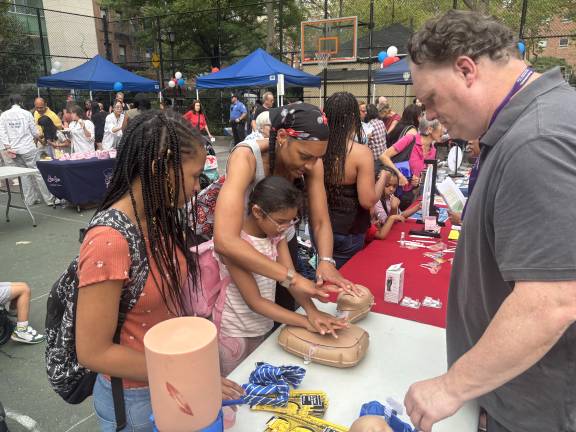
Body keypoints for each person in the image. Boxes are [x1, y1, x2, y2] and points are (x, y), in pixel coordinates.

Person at [402, 10, 576, 432]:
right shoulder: (537, 120)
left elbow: (551, 302)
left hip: (536, 408)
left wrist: (452, 386)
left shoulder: (538, 140)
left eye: (430, 99)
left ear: (466, 70)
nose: (428, 116)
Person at [74, 110, 243, 431]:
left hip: (168, 381)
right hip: (135, 400)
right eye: (194, 176)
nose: (198, 187)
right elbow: (93, 352)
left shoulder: (157, 217)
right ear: (159, 170)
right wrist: (188, 373)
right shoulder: (108, 242)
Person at [214, 102, 359, 316]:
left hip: (281, 242)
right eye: (305, 156)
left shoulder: (313, 164)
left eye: (318, 157)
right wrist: (293, 277)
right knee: (248, 311)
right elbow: (225, 240)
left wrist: (326, 261)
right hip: (244, 245)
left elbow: (320, 221)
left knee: (285, 307)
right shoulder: (246, 158)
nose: (311, 165)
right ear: (282, 137)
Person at [217, 176, 347, 375]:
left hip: (261, 326)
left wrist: (312, 312)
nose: (286, 227)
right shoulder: (237, 245)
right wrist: (305, 321)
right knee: (236, 388)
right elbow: (255, 302)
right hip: (234, 333)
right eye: (281, 221)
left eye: (291, 221)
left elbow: (289, 278)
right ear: (257, 212)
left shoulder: (275, 235)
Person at [323, 92, 385, 268]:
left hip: (320, 228)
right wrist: (383, 178)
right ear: (353, 119)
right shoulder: (360, 153)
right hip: (348, 231)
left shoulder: (318, 148)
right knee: (345, 281)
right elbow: (367, 201)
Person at [0, 94, 54, 206]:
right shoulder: (27, 114)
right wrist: (40, 135)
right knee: (38, 172)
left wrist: (8, 146)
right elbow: (34, 132)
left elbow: (2, 133)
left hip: (13, 149)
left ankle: (30, 199)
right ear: (21, 102)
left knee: (23, 174)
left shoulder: (4, 115)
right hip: (28, 147)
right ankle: (49, 199)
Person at [379, 114, 440, 209]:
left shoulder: (433, 151)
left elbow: (426, 176)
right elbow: (384, 156)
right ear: (430, 130)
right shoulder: (410, 139)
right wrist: (399, 175)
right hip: (393, 194)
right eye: (442, 126)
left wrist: (418, 180)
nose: (444, 130)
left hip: (411, 197)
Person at [368, 168, 420, 241]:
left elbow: (399, 216)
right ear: (377, 183)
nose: (391, 189)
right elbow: (386, 223)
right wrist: (393, 208)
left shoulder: (390, 197)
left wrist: (417, 207)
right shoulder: (376, 201)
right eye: (387, 185)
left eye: (394, 186)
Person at [448, 138, 480, 225]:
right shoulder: (479, 161)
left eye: (475, 137)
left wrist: (462, 219)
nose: (470, 141)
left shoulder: (488, 166)